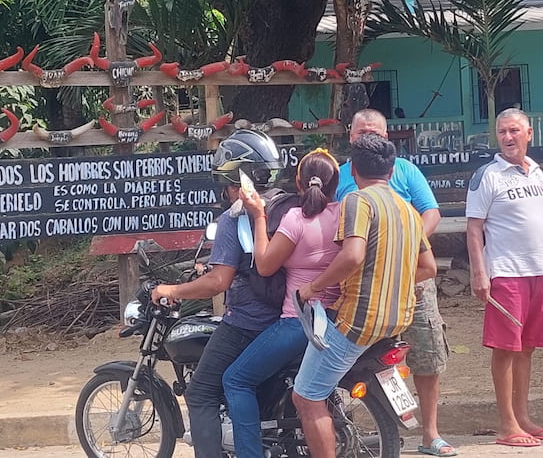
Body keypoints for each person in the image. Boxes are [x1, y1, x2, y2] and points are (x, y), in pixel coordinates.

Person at [293, 133, 437, 458]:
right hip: (396, 322)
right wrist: (393, 277)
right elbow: (427, 267)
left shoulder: (359, 200)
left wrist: (312, 288)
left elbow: (352, 256)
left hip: (359, 322)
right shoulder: (407, 210)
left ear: (353, 170)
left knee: (306, 396)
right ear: (391, 170)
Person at [150, 129, 284, 458]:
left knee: (199, 393)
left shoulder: (233, 219)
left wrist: (173, 289)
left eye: (228, 183)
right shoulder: (286, 206)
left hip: (248, 324)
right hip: (287, 321)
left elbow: (218, 282)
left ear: (239, 181)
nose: (226, 192)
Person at [336, 109, 456, 457]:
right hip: (361, 285)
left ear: (387, 138)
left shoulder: (405, 171)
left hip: (414, 279)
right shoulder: (343, 176)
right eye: (361, 133)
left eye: (374, 132)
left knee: (427, 353)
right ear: (350, 136)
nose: (368, 138)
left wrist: (405, 244)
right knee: (354, 357)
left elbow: (430, 212)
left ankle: (431, 433)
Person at [465, 108, 543, 448]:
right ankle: (507, 425)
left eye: (514, 131)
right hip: (506, 273)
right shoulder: (488, 175)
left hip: (541, 271)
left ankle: (524, 416)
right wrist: (479, 273)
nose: (508, 137)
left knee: (528, 348)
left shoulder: (537, 172)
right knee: (505, 348)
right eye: (502, 132)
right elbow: (474, 228)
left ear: (529, 133)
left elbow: (540, 225)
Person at [222, 148, 342, 458]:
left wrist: (259, 215)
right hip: (334, 320)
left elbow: (263, 265)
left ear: (299, 184)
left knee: (235, 380)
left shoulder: (296, 219)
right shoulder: (344, 216)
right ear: (335, 185)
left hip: (297, 323)